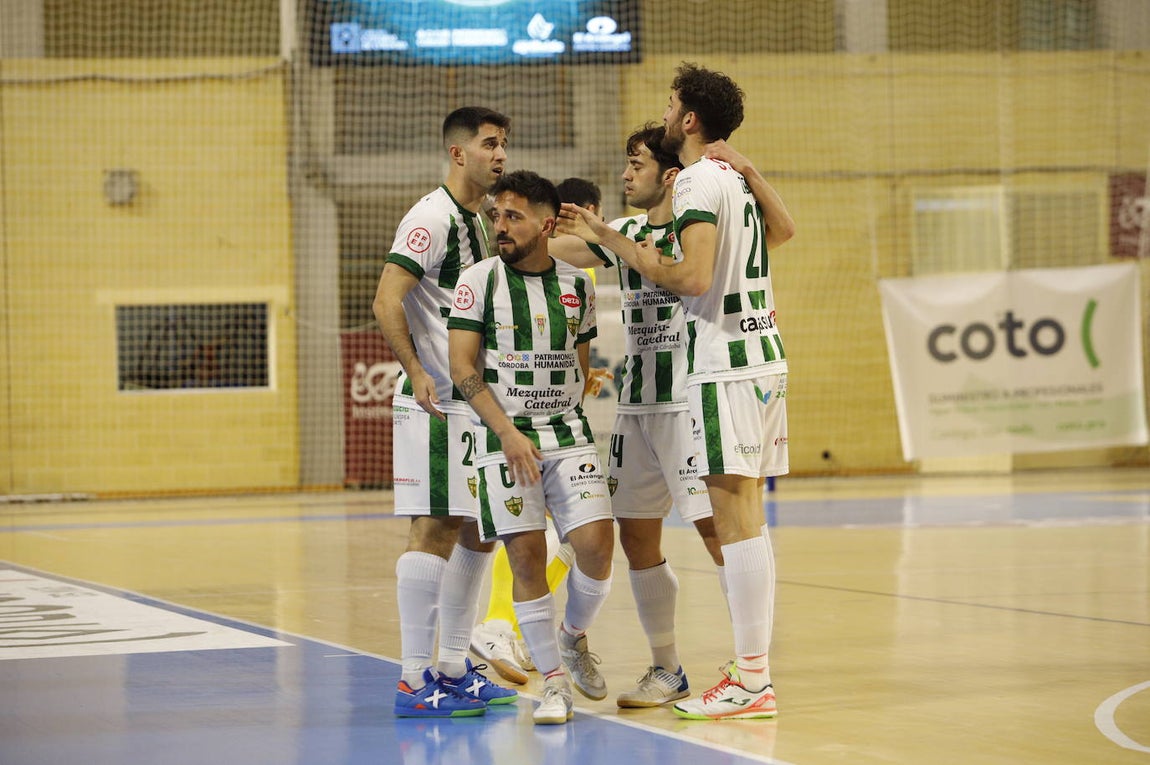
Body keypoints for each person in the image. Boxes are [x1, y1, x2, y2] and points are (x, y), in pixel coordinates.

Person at [569, 63, 794, 720]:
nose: (665, 113)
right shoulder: (731, 178)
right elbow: (784, 233)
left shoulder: (697, 178)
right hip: (759, 354)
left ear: (689, 119)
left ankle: (752, 677)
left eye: (671, 105)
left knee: (735, 525)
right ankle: (743, 672)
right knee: (742, 520)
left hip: (725, 361)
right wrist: (750, 169)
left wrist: (619, 245)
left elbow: (692, 276)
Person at [448, 170, 616, 725]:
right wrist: (506, 432)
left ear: (546, 225)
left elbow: (581, 361)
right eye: (497, 214)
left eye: (513, 216)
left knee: (596, 544)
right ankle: (554, 684)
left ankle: (572, 636)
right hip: (504, 439)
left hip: (567, 431)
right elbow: (461, 367)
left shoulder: (579, 285)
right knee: (526, 557)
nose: (500, 224)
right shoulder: (478, 281)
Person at [373, 106, 518, 718]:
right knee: (433, 529)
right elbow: (386, 298)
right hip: (438, 402)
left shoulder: (484, 220)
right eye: (490, 144)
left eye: (504, 144)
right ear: (459, 153)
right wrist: (415, 371)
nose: (500, 155)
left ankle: (455, 665)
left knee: (480, 530)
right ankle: (412, 679)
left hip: (478, 403)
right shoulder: (431, 218)